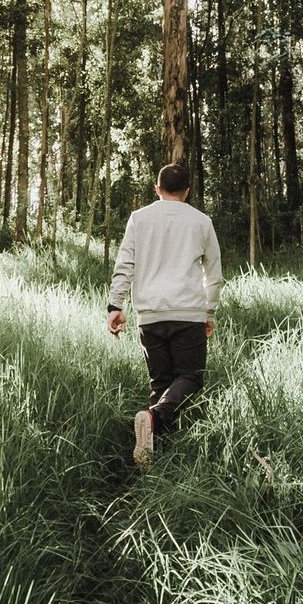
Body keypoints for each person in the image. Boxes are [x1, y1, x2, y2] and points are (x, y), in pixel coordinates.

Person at [107, 163, 223, 466]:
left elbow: (125, 264)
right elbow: (214, 275)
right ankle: (154, 419)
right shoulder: (201, 221)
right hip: (189, 313)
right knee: (191, 378)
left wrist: (115, 306)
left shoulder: (139, 219)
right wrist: (208, 312)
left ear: (157, 189)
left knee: (161, 385)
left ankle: (155, 455)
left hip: (150, 313)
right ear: (187, 191)